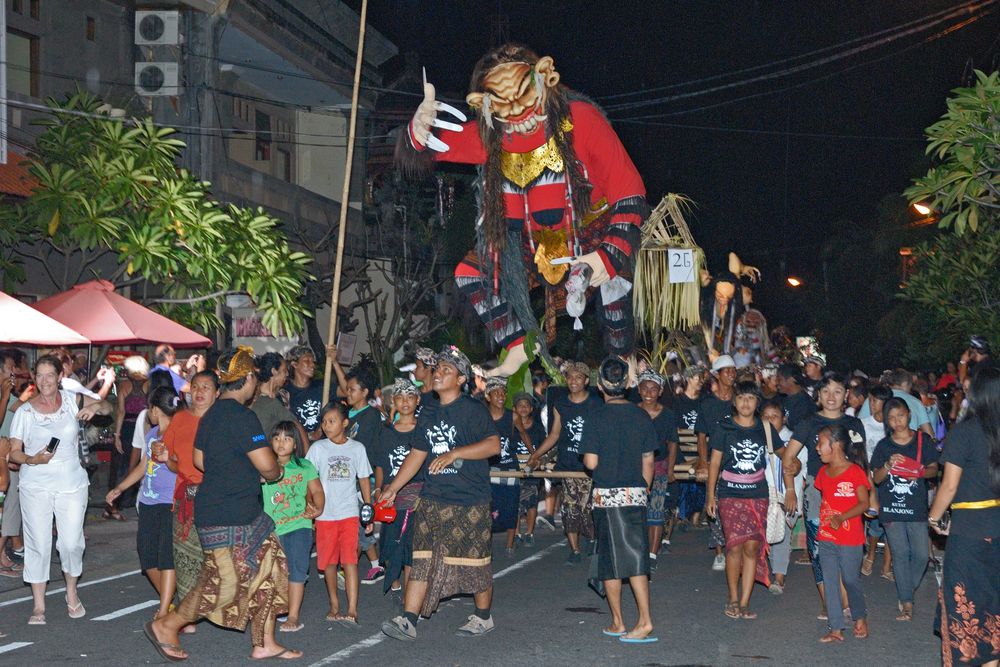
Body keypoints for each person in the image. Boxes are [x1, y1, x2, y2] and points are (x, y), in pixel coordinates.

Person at [145, 347, 299, 662]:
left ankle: (265, 641)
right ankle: (167, 625)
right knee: (222, 585)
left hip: (233, 511)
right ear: (249, 378)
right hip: (231, 515)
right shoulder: (243, 416)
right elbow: (268, 466)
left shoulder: (212, 414)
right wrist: (276, 470)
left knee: (272, 569)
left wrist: (235, 466)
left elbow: (200, 461)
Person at [381, 345, 501, 641]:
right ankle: (408, 620)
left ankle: (484, 617)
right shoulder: (429, 412)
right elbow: (417, 454)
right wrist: (393, 488)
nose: (438, 374)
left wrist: (455, 453)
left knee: (475, 562)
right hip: (433, 497)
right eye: (437, 369)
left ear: (461, 379)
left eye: (447, 370)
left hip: (469, 499)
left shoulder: (473, 409)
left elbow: (493, 445)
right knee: (421, 558)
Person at [7, 354, 113, 625]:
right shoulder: (25, 412)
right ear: (34, 378)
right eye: (39, 376)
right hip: (35, 484)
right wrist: (32, 458)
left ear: (58, 377)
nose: (44, 381)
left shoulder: (71, 399)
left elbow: (107, 408)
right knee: (38, 544)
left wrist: (94, 408)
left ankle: (71, 592)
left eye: (49, 375)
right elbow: (14, 454)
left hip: (71, 482)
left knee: (70, 543)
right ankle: (39, 606)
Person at [927, 365, 1000, 667]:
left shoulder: (965, 432)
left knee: (965, 609)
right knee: (993, 609)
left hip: (968, 533)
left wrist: (934, 518)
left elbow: (949, 485)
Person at [581, 357, 657, 643]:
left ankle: (633, 621)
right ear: (627, 383)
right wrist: (643, 489)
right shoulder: (640, 416)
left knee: (610, 559)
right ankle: (621, 621)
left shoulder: (596, 416)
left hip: (606, 495)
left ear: (599, 384)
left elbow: (590, 461)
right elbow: (648, 458)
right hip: (635, 494)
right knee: (633, 555)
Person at [782, 372, 866, 620]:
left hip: (849, 494)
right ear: (818, 395)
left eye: (838, 391)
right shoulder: (808, 423)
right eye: (826, 391)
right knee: (819, 550)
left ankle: (840, 600)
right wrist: (790, 489)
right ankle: (831, 602)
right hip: (818, 493)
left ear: (846, 396)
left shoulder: (854, 425)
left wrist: (869, 497)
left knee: (846, 549)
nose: (831, 397)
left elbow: (862, 462)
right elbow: (788, 457)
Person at [706, 380, 781, 620]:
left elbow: (784, 453)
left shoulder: (766, 428)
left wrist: (795, 462)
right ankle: (733, 597)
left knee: (752, 547)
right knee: (734, 546)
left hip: (757, 495)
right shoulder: (723, 428)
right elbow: (715, 463)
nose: (745, 403)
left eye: (750, 398)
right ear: (734, 402)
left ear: (757, 402)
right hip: (730, 494)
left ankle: (746, 602)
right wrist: (710, 495)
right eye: (741, 398)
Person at [106, 386, 180, 621]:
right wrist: (120, 488)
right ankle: (174, 607)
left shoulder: (180, 434)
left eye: (149, 408)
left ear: (156, 409)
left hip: (171, 503)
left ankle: (165, 608)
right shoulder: (152, 434)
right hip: (148, 501)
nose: (148, 412)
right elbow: (142, 466)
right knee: (148, 557)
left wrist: (169, 458)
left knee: (167, 557)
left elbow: (185, 468)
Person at [870, 398, 940, 621]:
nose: (897, 421)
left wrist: (917, 472)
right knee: (900, 554)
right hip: (892, 508)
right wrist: (889, 465)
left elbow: (933, 470)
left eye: (900, 415)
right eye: (891, 418)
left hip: (916, 507)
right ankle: (907, 602)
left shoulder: (922, 441)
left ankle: (906, 588)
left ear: (909, 414)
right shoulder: (884, 446)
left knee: (920, 554)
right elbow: (877, 478)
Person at [527, 361, 601, 563]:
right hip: (567, 463)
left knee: (588, 508)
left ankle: (593, 539)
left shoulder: (596, 403)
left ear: (586, 381)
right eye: (570, 377)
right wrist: (536, 454)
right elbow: (554, 434)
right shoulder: (561, 404)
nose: (573, 381)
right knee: (570, 508)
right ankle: (575, 549)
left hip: (590, 465)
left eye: (578, 377)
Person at [307, 401, 373, 626]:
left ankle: (352, 608)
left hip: (349, 513)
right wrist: (310, 506)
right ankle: (334, 604)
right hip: (325, 515)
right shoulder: (317, 449)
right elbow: (309, 480)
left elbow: (364, 479)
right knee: (329, 563)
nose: (326, 425)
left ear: (345, 423)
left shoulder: (357, 449)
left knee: (350, 561)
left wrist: (368, 509)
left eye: (332, 421)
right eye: (324, 421)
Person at [163, 370, 218, 607]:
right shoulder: (180, 419)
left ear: (217, 393)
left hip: (217, 493)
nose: (199, 392)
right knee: (185, 555)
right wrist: (164, 457)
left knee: (216, 552)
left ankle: (216, 605)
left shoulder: (221, 420)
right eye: (195, 386)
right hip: (186, 493)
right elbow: (172, 462)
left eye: (206, 387)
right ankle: (187, 612)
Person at [263, 421, 323, 633]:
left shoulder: (304, 467)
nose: (281, 442)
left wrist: (317, 508)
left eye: (287, 438)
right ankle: (277, 608)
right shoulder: (264, 467)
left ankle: (294, 616)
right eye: (277, 437)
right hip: (271, 529)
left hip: (299, 526)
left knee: (297, 569)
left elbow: (317, 491)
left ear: (295, 444)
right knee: (273, 572)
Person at [814, 424, 871, 643]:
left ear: (836, 445)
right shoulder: (822, 472)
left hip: (850, 538)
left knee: (850, 579)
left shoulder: (855, 471)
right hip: (826, 536)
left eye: (821, 443)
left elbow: (864, 503)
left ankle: (860, 616)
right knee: (830, 581)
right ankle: (835, 627)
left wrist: (842, 517)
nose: (818, 448)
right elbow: (826, 502)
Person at [374, 379, 425, 601]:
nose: (405, 402)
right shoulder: (385, 431)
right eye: (400, 397)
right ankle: (395, 585)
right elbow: (380, 464)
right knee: (389, 545)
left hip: (417, 498)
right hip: (389, 499)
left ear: (418, 400)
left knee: (412, 549)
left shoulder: (424, 431)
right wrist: (377, 488)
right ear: (393, 401)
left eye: (410, 397)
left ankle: (409, 599)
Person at [342, 367, 386, 585]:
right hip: (344, 479)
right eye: (347, 389)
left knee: (356, 524)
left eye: (352, 389)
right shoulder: (345, 415)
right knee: (359, 524)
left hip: (361, 481)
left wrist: (376, 486)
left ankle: (346, 567)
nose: (347, 392)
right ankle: (376, 565)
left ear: (365, 392)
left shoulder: (371, 416)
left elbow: (372, 452)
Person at [696, 355, 738, 571]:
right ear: (717, 375)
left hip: (737, 459)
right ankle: (719, 552)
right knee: (714, 504)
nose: (731, 374)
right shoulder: (708, 403)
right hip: (715, 460)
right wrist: (703, 463)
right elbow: (701, 436)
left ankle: (733, 547)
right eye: (727, 371)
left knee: (733, 506)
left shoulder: (739, 400)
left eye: (733, 371)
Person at [636, 370, 679, 568]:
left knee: (656, 510)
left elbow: (672, 444)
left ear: (660, 391)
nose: (649, 392)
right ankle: (639, 550)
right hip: (636, 468)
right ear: (639, 389)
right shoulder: (633, 412)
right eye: (645, 388)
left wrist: (670, 470)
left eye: (653, 389)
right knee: (637, 511)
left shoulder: (668, 414)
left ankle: (652, 555)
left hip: (660, 466)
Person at [761, 399, 800, 594]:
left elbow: (799, 467)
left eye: (774, 417)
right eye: (765, 417)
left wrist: (794, 495)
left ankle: (779, 576)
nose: (769, 421)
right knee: (765, 534)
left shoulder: (793, 440)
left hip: (784, 495)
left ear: (783, 419)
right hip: (761, 494)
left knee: (781, 535)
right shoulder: (757, 437)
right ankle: (764, 569)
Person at [108, 355, 150, 520]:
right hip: (145, 425)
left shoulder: (124, 384)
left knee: (122, 465)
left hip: (127, 427)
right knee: (143, 462)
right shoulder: (150, 383)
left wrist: (117, 435)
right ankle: (131, 498)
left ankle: (114, 504)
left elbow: (121, 411)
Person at [484, 377, 522, 556]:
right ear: (488, 396)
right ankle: (486, 542)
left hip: (510, 466)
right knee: (489, 508)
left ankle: (509, 543)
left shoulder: (512, 416)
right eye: (496, 393)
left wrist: (535, 456)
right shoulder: (481, 416)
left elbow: (524, 435)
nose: (501, 396)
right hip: (488, 469)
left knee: (511, 506)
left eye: (503, 393)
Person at [860, 385, 893, 579]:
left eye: (876, 400)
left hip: (891, 481)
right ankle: (871, 554)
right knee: (874, 522)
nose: (872, 405)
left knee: (892, 523)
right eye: (870, 400)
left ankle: (887, 566)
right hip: (870, 479)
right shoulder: (863, 424)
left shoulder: (892, 426)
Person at [252, 353, 309, 450]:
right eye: (284, 370)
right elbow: (297, 425)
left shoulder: (283, 395)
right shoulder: (256, 398)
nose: (287, 374)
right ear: (274, 371)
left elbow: (295, 425)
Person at [512, 392, 544, 546]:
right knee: (514, 501)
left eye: (526, 405)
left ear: (531, 409)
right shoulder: (510, 428)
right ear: (514, 409)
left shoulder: (537, 428)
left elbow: (544, 447)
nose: (523, 408)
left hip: (532, 470)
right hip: (514, 470)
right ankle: (517, 533)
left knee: (532, 502)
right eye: (520, 405)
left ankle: (529, 533)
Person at [285, 345, 326, 440]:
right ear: (294, 364)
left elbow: (345, 391)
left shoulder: (321, 386)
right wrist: (308, 436)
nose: (312, 365)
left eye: (313, 362)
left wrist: (334, 362)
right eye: (307, 361)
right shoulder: (285, 393)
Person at [777, 363, 815, 431]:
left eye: (780, 379)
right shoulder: (783, 399)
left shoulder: (805, 405)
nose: (777, 383)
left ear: (791, 380)